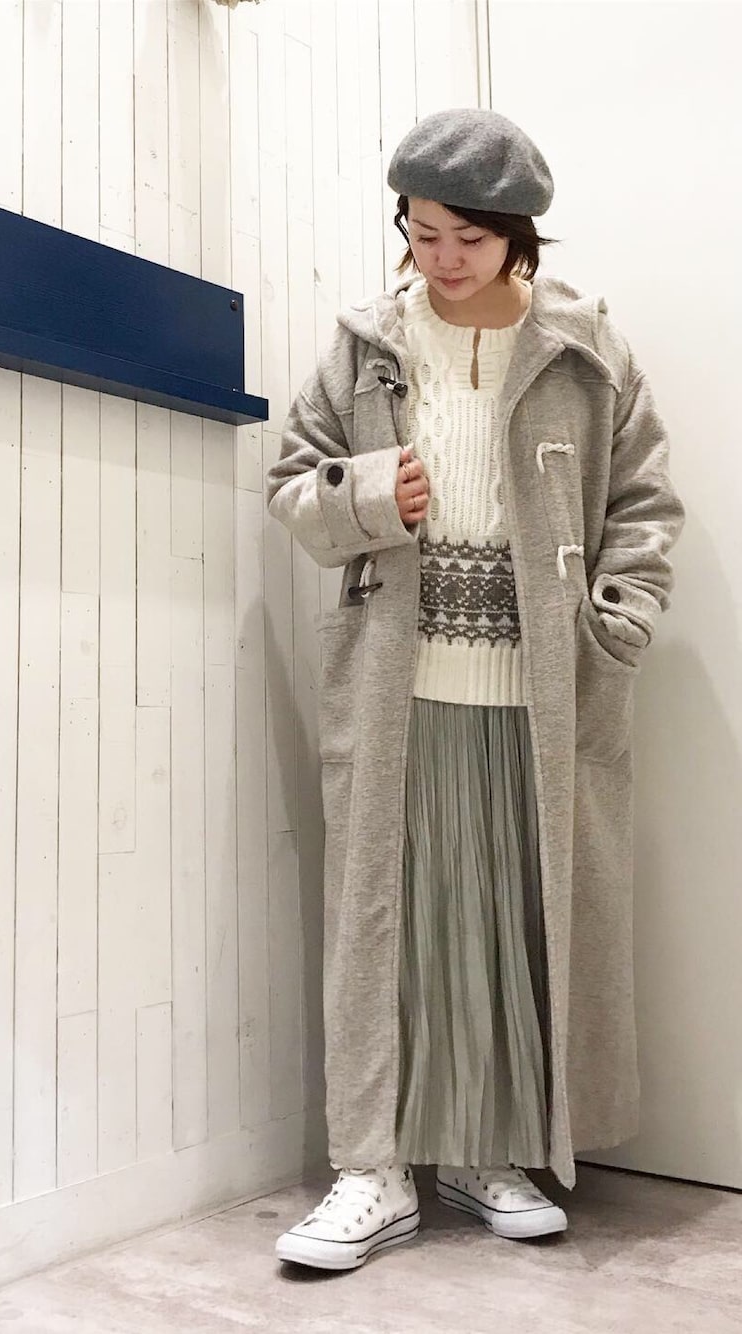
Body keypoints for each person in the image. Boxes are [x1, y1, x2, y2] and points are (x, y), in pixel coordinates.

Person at [265, 107, 685, 1271]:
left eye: (469, 237)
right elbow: (292, 479)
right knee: (392, 924)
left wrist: (618, 619)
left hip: (543, 692)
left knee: (510, 918)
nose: (441, 257)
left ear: (517, 237)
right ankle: (373, 1168)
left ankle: (486, 1150)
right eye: (422, 231)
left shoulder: (586, 349)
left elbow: (643, 503)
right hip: (396, 685)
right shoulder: (367, 343)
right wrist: (367, 494)